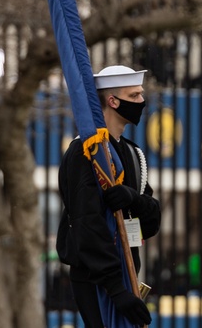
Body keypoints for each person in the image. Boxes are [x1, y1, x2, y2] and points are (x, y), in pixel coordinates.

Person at [57, 65, 161, 327]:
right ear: (113, 101)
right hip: (99, 280)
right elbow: (86, 224)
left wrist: (133, 199)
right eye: (134, 95)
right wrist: (116, 289)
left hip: (126, 274)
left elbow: (151, 222)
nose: (142, 101)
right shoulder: (86, 152)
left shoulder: (132, 154)